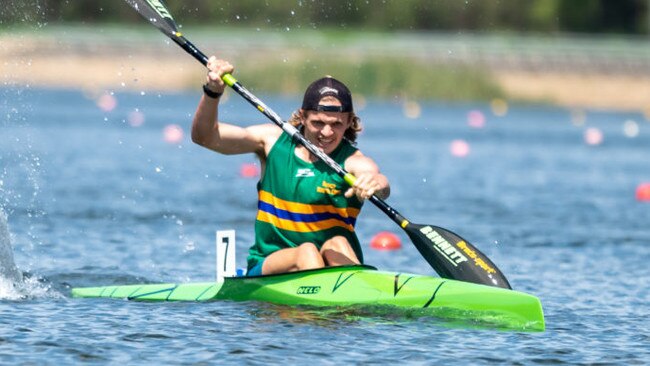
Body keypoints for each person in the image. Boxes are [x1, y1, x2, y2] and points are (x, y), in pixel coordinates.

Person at [191, 57, 390, 276]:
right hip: (270, 265)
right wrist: (212, 92)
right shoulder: (272, 142)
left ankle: (350, 292)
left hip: (332, 268)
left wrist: (374, 185)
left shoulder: (353, 161)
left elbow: (378, 180)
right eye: (318, 122)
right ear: (303, 117)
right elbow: (205, 137)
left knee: (338, 244)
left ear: (350, 122)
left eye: (336, 124)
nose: (326, 132)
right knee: (306, 252)